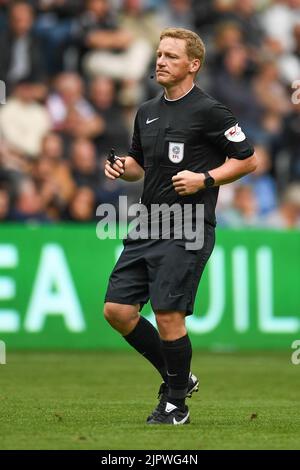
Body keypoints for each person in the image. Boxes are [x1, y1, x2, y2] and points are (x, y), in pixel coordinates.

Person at [103, 27, 257, 425]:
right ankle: (179, 378)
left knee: (169, 314)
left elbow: (247, 159)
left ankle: (175, 406)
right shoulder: (147, 110)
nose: (160, 61)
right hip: (148, 222)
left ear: (193, 64)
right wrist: (123, 169)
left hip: (187, 225)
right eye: (159, 54)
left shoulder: (210, 111)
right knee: (117, 311)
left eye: (171, 56)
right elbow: (141, 164)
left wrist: (205, 179)